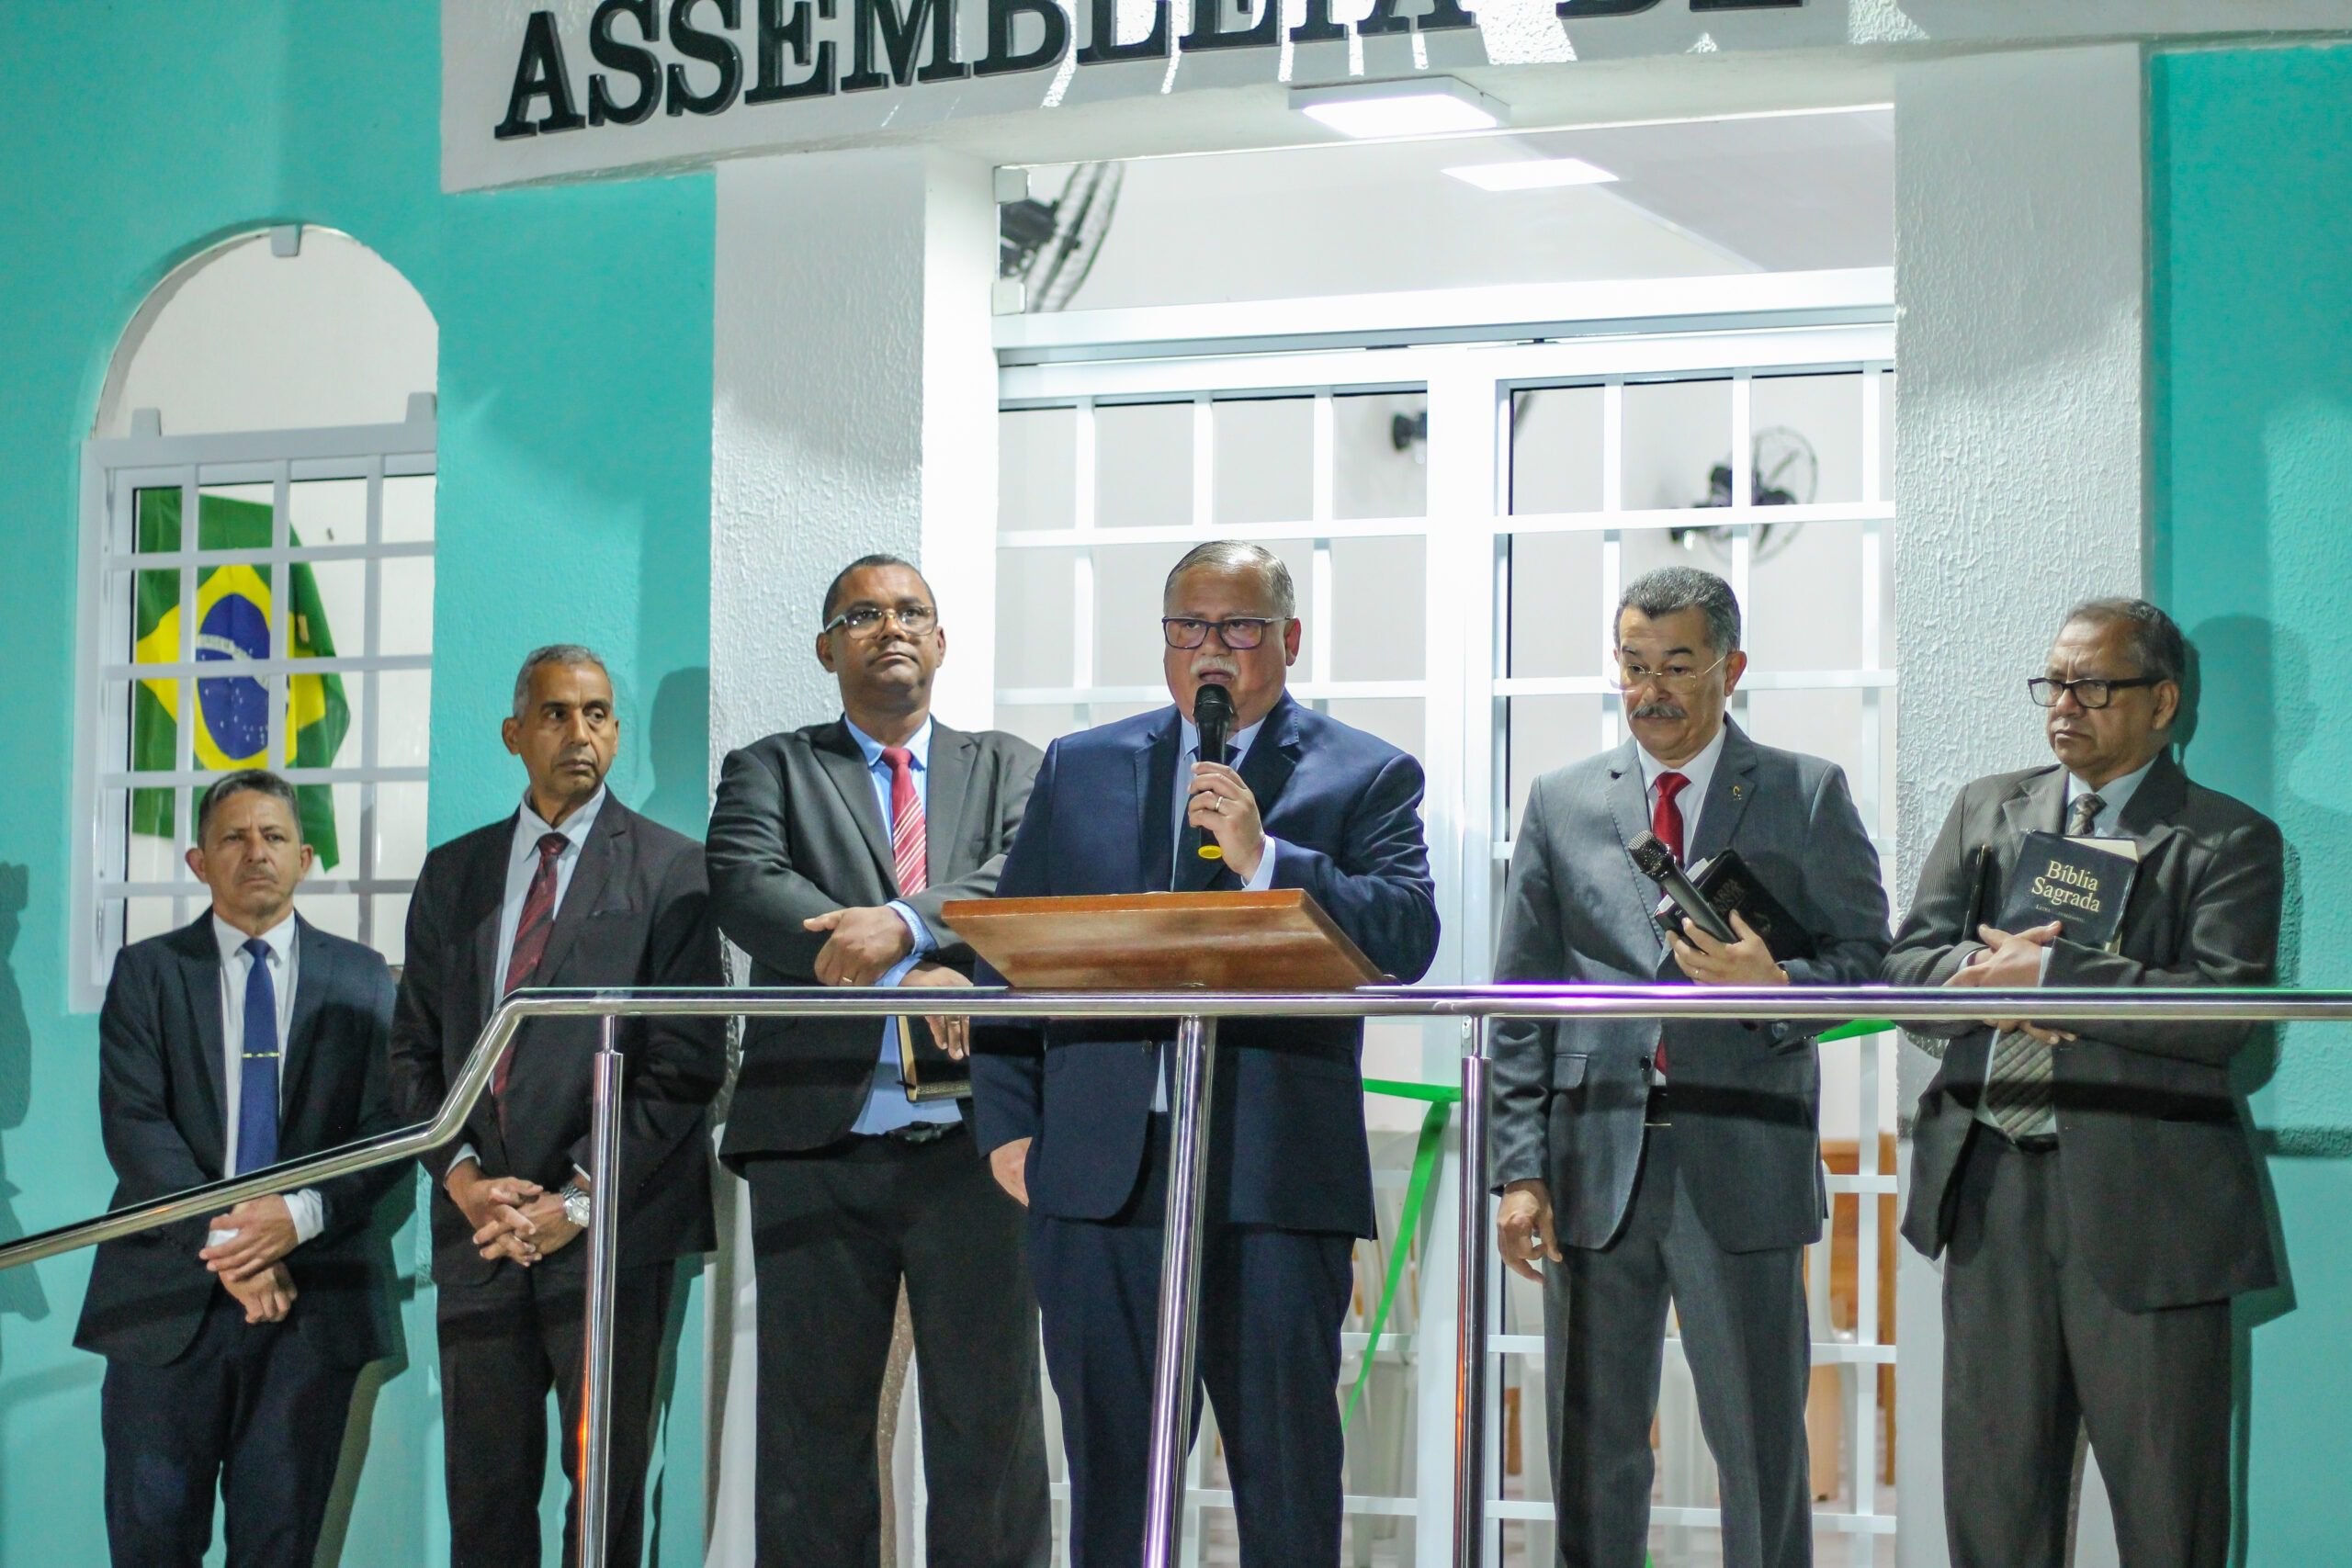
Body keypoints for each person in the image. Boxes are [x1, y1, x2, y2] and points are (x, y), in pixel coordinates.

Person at [968, 539, 1440, 1566]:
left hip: (1270, 1178)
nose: (1209, 650)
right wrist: (1008, 1127)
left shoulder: (1366, 773)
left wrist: (1266, 856)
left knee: (1283, 1470)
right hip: (1101, 1177)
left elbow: (1406, 935)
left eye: (1237, 627)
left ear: (1289, 639)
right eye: (1189, 627)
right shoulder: (1083, 766)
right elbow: (1012, 951)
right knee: (1113, 1479)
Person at [1487, 567, 1890, 1568]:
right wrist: (1517, 1167)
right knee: (1593, 1450)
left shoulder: (1804, 791)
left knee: (1757, 1446)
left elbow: (1872, 964)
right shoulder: (1562, 800)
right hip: (1592, 1167)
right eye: (1632, 667)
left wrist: (1778, 982)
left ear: (1730, 669)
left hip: (1740, 1159)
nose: (1651, 690)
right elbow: (1517, 1001)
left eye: (1676, 665)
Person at [1888, 598, 2282, 1568]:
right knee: (1993, 1504)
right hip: (1987, 1189)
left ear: (2162, 702)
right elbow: (1906, 968)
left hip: (2149, 1210)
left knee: (2166, 1512)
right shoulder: (1991, 806)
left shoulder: (2229, 839)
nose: (2064, 706)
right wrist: (1979, 984)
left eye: (2092, 686)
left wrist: (2055, 978)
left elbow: (2227, 1019)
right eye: (2053, 683)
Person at [704, 554, 1050, 1566]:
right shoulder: (769, 767)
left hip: (983, 1144)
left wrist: (905, 926)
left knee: (989, 1431)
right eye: (862, 613)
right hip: (816, 1139)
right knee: (812, 1437)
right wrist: (914, 978)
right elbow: (745, 885)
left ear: (942, 643)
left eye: (911, 612)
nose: (889, 627)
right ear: (826, 648)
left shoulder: (1013, 767)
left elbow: (1024, 881)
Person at [388, 645, 725, 1568]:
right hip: (479, 1234)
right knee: (484, 1499)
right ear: (513, 733)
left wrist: (577, 1199)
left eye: (599, 713)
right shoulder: (452, 874)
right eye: (556, 713)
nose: (581, 733)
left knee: (605, 1497)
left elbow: (689, 1066)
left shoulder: (673, 871)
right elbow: (414, 1055)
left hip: (612, 1235)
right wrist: (461, 1182)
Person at [76, 769, 406, 1568]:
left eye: (273, 837)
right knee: (152, 1545)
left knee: (281, 1547)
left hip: (311, 1307)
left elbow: (389, 1128)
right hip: (165, 1308)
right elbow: (135, 1125)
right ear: (198, 860)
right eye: (233, 836)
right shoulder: (146, 972)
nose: (255, 852)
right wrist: (233, 1241)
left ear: (306, 856)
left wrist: (295, 1217)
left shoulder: (366, 977)